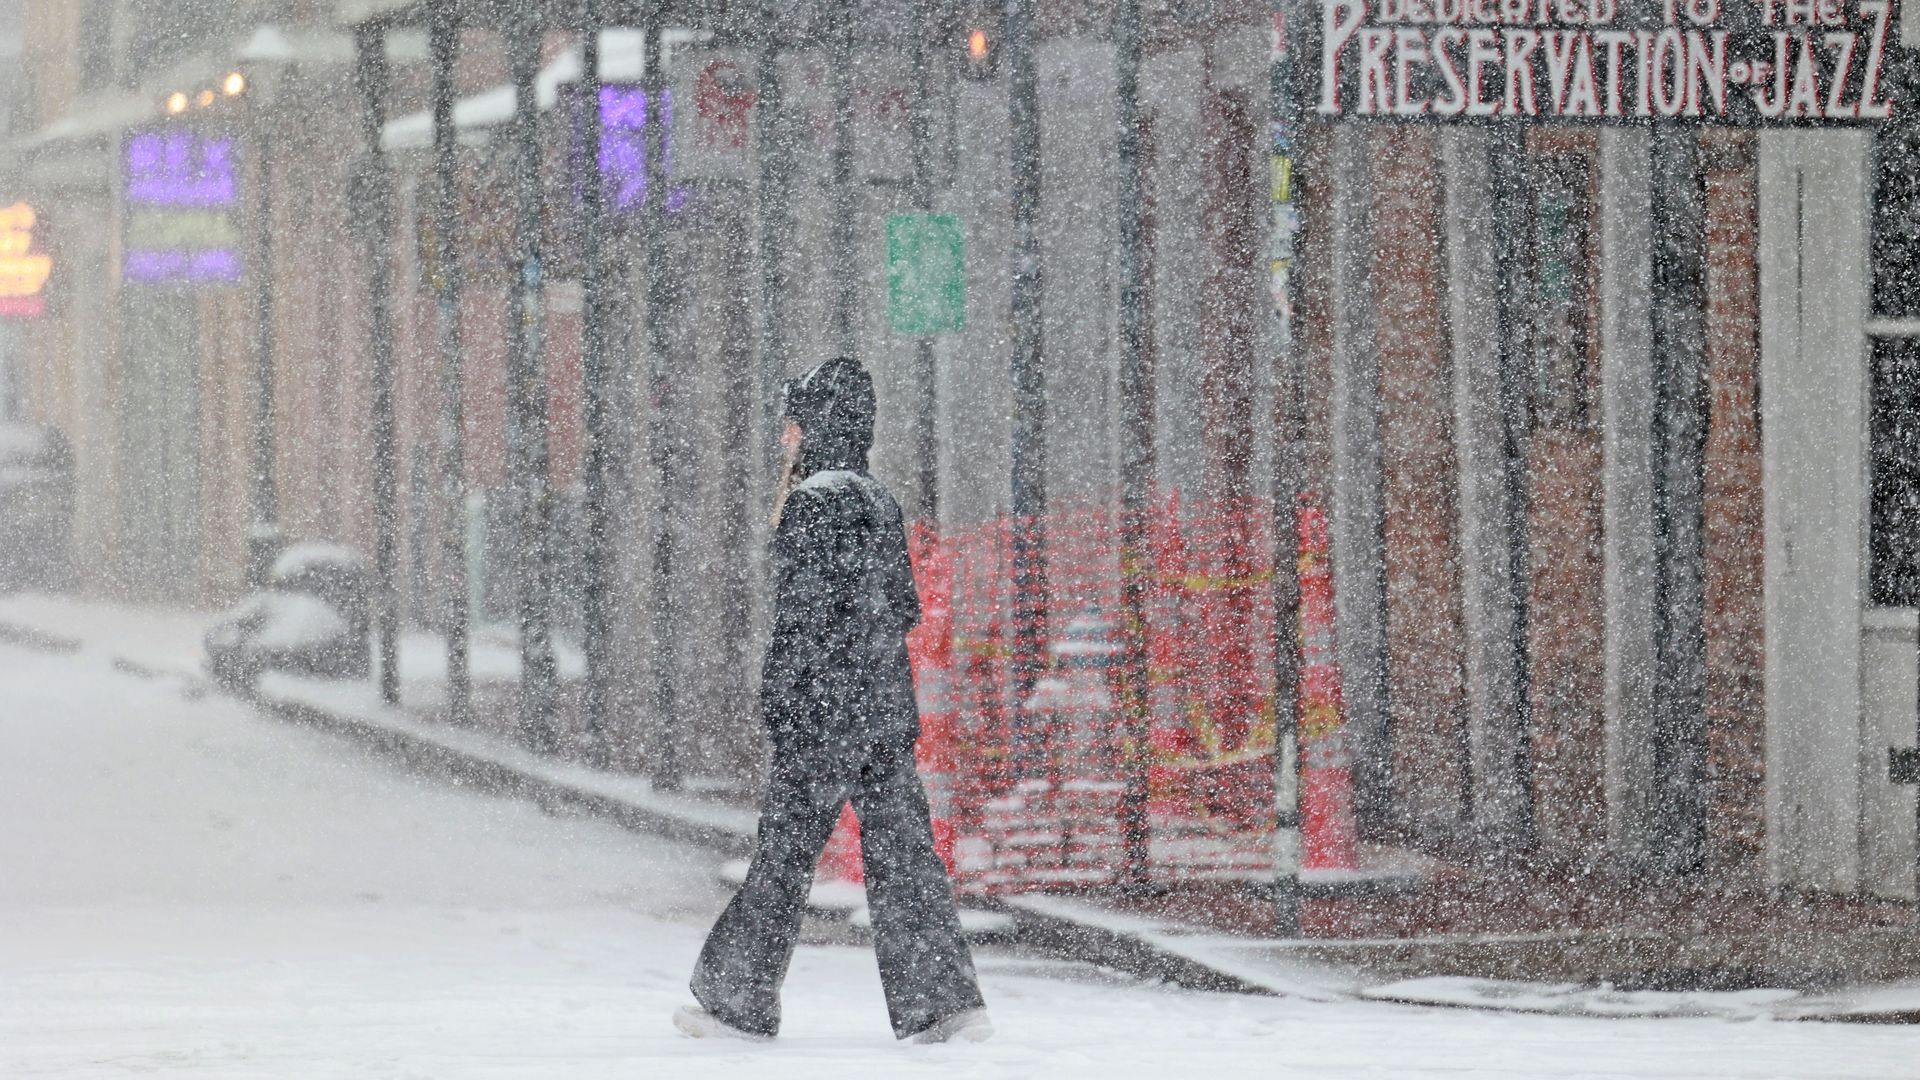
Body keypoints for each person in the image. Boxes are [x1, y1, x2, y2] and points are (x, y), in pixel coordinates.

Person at [674, 357, 991, 1045]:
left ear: (818, 427)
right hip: (881, 709)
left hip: (824, 715)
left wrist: (786, 702)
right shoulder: (877, 497)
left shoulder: (814, 500)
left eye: (795, 425)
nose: (787, 440)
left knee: (782, 860)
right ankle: (944, 1005)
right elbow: (901, 606)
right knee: (905, 858)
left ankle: (737, 1000)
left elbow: (803, 620)